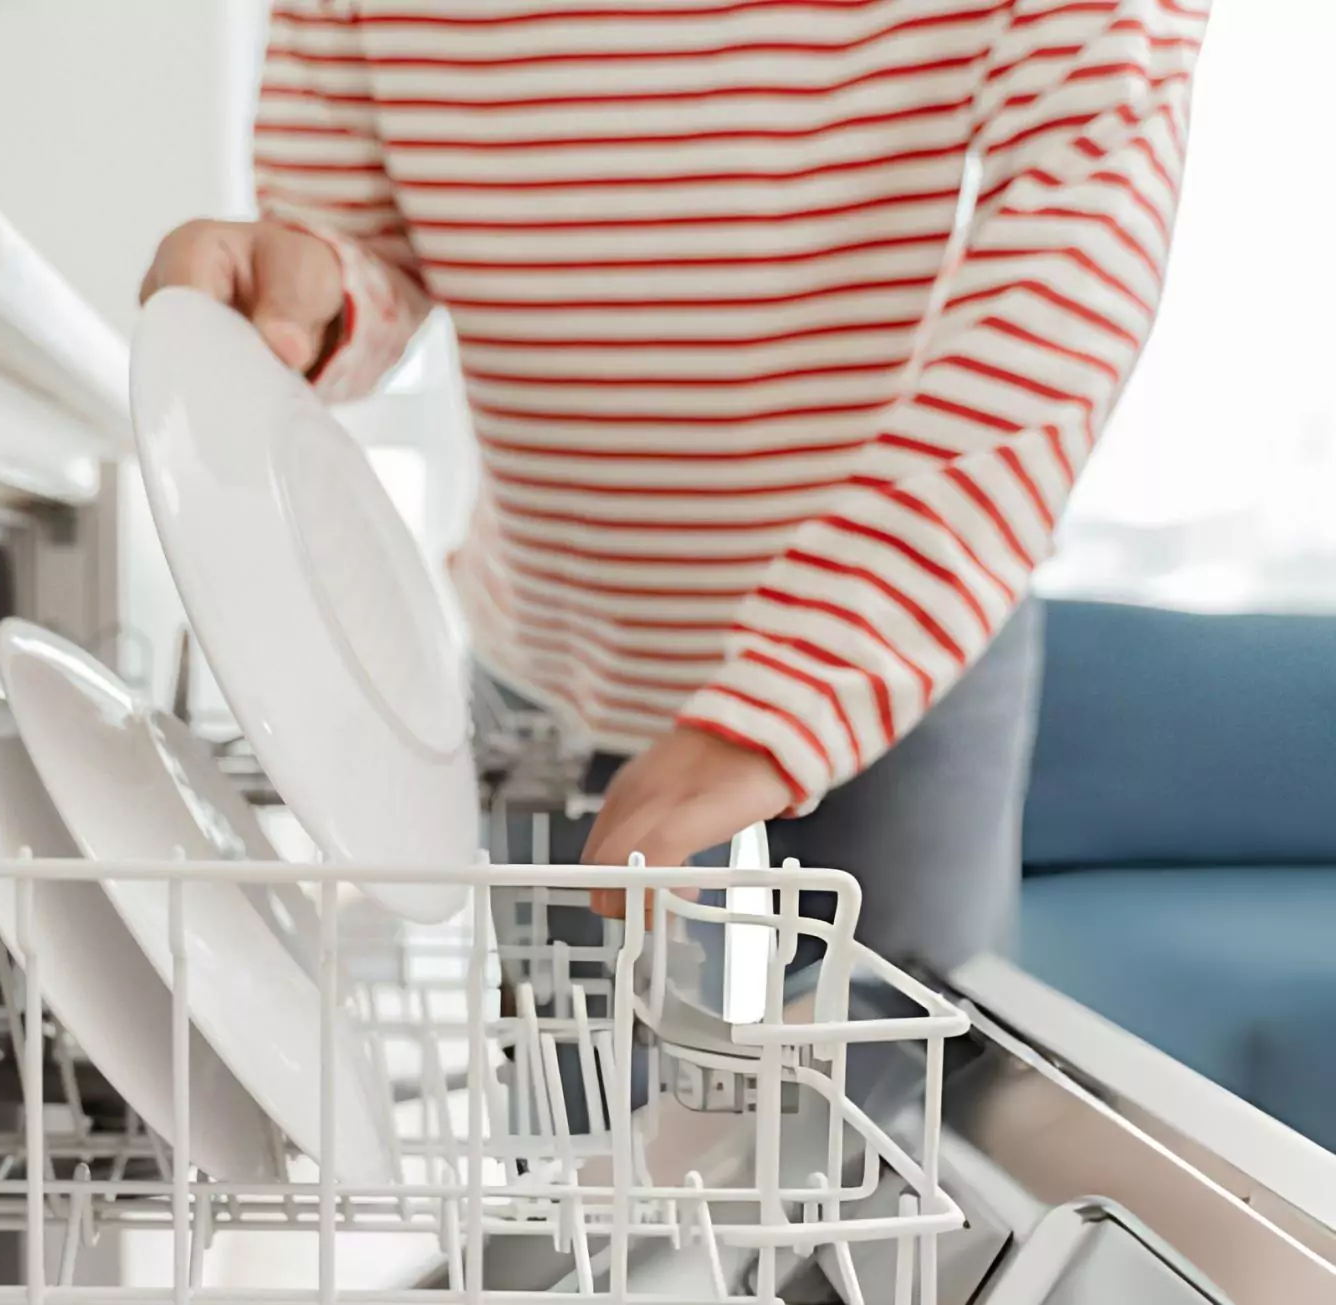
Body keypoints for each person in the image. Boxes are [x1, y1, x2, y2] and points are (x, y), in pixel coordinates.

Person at [142, 0, 1203, 971]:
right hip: (551, 682)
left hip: (894, 668)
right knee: (575, 1148)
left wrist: (798, 686)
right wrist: (309, 296)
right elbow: (359, 231)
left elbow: (1070, 256)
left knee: (886, 1154)